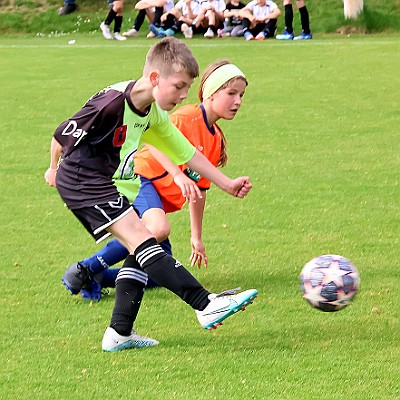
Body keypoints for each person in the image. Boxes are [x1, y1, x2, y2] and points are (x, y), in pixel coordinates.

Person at [44, 37, 258, 352]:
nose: (185, 94)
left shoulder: (153, 112)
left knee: (142, 245)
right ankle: (204, 303)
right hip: (83, 181)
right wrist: (52, 168)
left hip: (113, 183)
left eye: (188, 87)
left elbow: (186, 153)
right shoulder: (112, 104)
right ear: (155, 79)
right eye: (179, 86)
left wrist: (226, 184)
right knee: (146, 240)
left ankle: (120, 333)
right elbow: (62, 133)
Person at [61, 59, 248, 302]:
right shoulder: (186, 117)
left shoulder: (215, 140)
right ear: (211, 92)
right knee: (156, 230)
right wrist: (177, 174)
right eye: (231, 93)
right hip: (141, 178)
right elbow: (152, 139)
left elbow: (200, 190)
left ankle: (99, 277)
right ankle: (85, 268)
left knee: (160, 271)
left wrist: (197, 237)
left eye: (242, 95)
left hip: (156, 198)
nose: (238, 101)